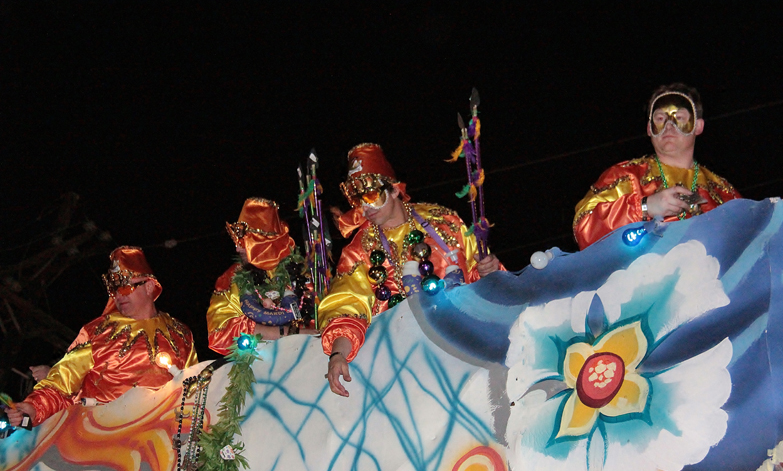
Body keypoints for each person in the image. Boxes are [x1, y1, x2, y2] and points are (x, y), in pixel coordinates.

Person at [321, 143, 502, 397]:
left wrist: (488, 271)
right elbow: (347, 308)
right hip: (405, 371)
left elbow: (480, 280)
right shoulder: (357, 251)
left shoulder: (443, 222)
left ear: (394, 189)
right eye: (359, 200)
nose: (366, 208)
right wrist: (338, 354)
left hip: (468, 349)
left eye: (372, 196)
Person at [4, 246, 198, 427]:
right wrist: (33, 409)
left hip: (163, 435)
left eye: (124, 287)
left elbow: (195, 388)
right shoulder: (98, 331)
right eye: (114, 289)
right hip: (102, 437)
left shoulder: (180, 334)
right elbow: (61, 382)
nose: (118, 296)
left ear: (148, 286)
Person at [573, 83, 741, 250]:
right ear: (649, 128)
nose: (669, 125)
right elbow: (584, 226)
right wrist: (645, 207)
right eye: (660, 119)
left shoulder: (724, 193)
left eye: (679, 118)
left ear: (698, 126)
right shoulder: (625, 176)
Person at [207, 197, 317, 356]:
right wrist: (289, 333)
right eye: (237, 242)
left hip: (307, 356)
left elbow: (320, 318)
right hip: (259, 365)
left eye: (244, 243)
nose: (238, 249)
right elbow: (219, 333)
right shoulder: (230, 278)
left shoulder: (301, 272)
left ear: (264, 245)